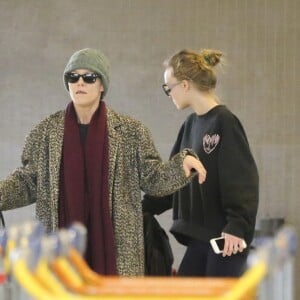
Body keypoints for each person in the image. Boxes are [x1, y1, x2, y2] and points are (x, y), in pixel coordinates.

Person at [0, 48, 207, 276]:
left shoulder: (130, 132)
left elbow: (153, 178)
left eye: (89, 77)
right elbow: (27, 182)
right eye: (73, 77)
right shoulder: (45, 133)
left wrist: (181, 166)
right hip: (60, 251)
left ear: (102, 86)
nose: (80, 83)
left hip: (116, 253)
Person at [143, 49, 259, 277]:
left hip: (225, 241)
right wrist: (140, 209)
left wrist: (237, 225)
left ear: (185, 85)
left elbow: (242, 179)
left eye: (169, 87)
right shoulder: (189, 126)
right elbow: (172, 182)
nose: (169, 94)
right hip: (198, 240)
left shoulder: (224, 122)